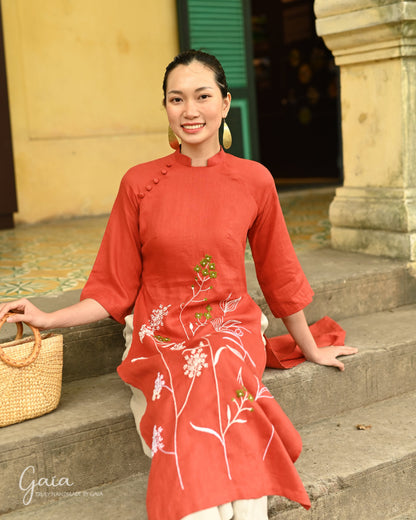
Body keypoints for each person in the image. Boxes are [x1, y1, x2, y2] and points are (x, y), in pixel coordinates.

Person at [0, 50, 357, 520]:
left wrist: (309, 346)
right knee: (189, 384)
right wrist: (49, 316)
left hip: (230, 328)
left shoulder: (255, 180)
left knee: (217, 366)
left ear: (225, 103)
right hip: (157, 334)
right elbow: (113, 285)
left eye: (203, 96)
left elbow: (279, 274)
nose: (190, 111)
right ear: (165, 107)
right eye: (177, 99)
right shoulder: (139, 183)